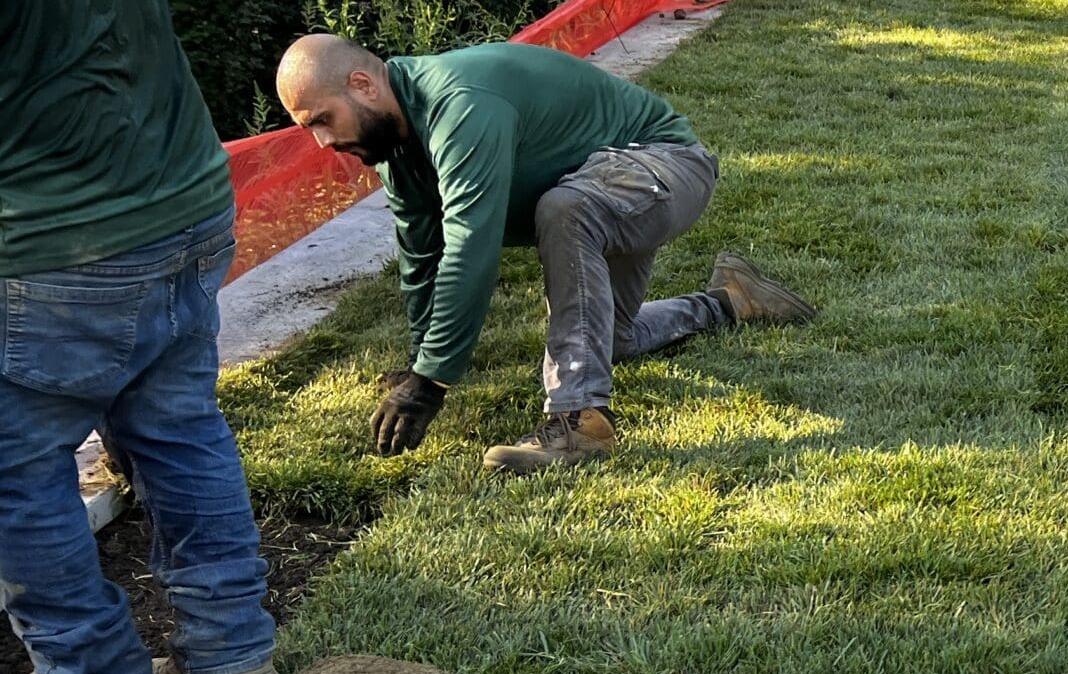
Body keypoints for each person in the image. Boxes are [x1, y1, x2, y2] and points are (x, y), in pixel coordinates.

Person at [0, 0, 279, 674]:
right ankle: (233, 657)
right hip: (180, 197)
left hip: (49, 241)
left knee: (10, 468)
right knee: (176, 428)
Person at [274, 35, 814, 475]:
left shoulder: (458, 102)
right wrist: (419, 365)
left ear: (362, 84)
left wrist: (435, 380)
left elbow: (469, 245)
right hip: (607, 189)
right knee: (610, 340)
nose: (323, 142)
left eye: (322, 119)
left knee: (564, 208)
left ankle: (579, 421)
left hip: (665, 167)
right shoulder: (396, 142)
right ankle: (732, 299)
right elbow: (423, 250)